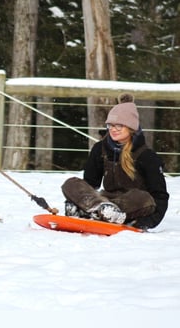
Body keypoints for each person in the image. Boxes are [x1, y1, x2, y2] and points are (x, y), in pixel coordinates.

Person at [61, 93, 169, 229]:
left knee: (143, 198)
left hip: (132, 205)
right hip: (104, 201)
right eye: (110, 125)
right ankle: (98, 211)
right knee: (71, 183)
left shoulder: (147, 156)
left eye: (119, 126)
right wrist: (79, 198)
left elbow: (160, 196)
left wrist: (144, 223)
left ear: (130, 128)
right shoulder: (100, 149)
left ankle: (101, 213)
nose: (113, 129)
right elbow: (89, 184)